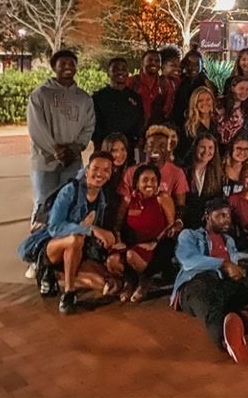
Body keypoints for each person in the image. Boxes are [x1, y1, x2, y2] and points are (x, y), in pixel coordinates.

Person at [171, 198, 248, 365]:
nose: (227, 219)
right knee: (213, 307)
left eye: (229, 216)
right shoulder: (190, 235)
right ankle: (227, 341)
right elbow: (188, 260)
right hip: (195, 284)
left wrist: (242, 270)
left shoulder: (229, 241)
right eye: (221, 215)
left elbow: (236, 263)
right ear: (208, 216)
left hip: (225, 286)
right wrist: (223, 264)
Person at [18, 152, 115, 314]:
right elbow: (55, 227)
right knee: (74, 240)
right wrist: (91, 230)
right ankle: (69, 294)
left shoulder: (102, 199)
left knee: (104, 284)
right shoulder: (71, 190)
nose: (100, 174)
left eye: (106, 170)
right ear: (86, 170)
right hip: (52, 246)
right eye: (96, 168)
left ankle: (55, 274)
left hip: (79, 252)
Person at [27, 49, 96, 222]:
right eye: (63, 63)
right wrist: (55, 149)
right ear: (53, 67)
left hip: (72, 160)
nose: (68, 67)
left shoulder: (84, 98)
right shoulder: (40, 95)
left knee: (71, 201)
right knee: (43, 204)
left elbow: (89, 126)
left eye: (71, 63)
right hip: (45, 161)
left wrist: (76, 147)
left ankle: (64, 243)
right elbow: (36, 127)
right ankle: (38, 245)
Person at [112, 163, 179, 303]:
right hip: (131, 244)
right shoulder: (128, 199)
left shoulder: (163, 198)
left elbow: (170, 227)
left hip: (156, 247)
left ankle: (144, 282)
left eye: (154, 180)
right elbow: (117, 224)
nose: (150, 184)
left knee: (132, 255)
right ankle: (129, 282)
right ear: (136, 183)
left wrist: (154, 242)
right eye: (145, 180)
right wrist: (118, 240)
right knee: (112, 261)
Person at [122, 125, 190, 213]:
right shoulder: (131, 172)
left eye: (162, 146)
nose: (155, 149)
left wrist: (177, 223)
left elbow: (180, 206)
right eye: (151, 145)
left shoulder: (177, 173)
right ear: (145, 147)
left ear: (168, 149)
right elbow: (123, 206)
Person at [92, 57, 144, 153]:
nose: (120, 72)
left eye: (123, 69)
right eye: (115, 69)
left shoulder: (135, 97)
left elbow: (140, 122)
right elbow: (94, 125)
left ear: (128, 73)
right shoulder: (98, 97)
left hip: (128, 148)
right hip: (105, 148)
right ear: (108, 73)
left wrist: (135, 139)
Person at [184, 134, 225, 228]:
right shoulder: (183, 171)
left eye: (211, 148)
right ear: (195, 148)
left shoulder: (218, 174)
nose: (207, 151)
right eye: (202, 147)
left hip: (207, 226)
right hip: (186, 225)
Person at [127, 49, 175, 128]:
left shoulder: (165, 84)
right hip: (133, 129)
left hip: (156, 130)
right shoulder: (132, 81)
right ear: (142, 63)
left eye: (157, 61)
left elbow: (167, 109)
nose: (153, 63)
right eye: (150, 60)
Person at [173, 50, 217, 130]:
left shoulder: (207, 83)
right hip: (181, 122)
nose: (193, 67)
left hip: (200, 123)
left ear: (202, 65)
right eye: (190, 64)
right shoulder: (180, 81)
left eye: (197, 64)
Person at [177, 86, 219, 168]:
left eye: (208, 99)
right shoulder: (188, 126)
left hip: (213, 166)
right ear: (194, 103)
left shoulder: (216, 121)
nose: (205, 103)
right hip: (193, 167)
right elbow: (183, 154)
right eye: (200, 101)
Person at [99, 133, 132, 227]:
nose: (119, 154)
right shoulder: (99, 174)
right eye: (114, 150)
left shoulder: (130, 173)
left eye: (123, 149)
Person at [217, 76, 248, 148]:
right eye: (241, 88)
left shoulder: (246, 108)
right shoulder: (220, 103)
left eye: (247, 89)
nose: (244, 92)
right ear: (232, 88)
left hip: (232, 147)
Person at [222, 133, 248, 198]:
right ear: (230, 149)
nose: (242, 152)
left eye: (246, 149)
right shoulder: (220, 168)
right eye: (238, 148)